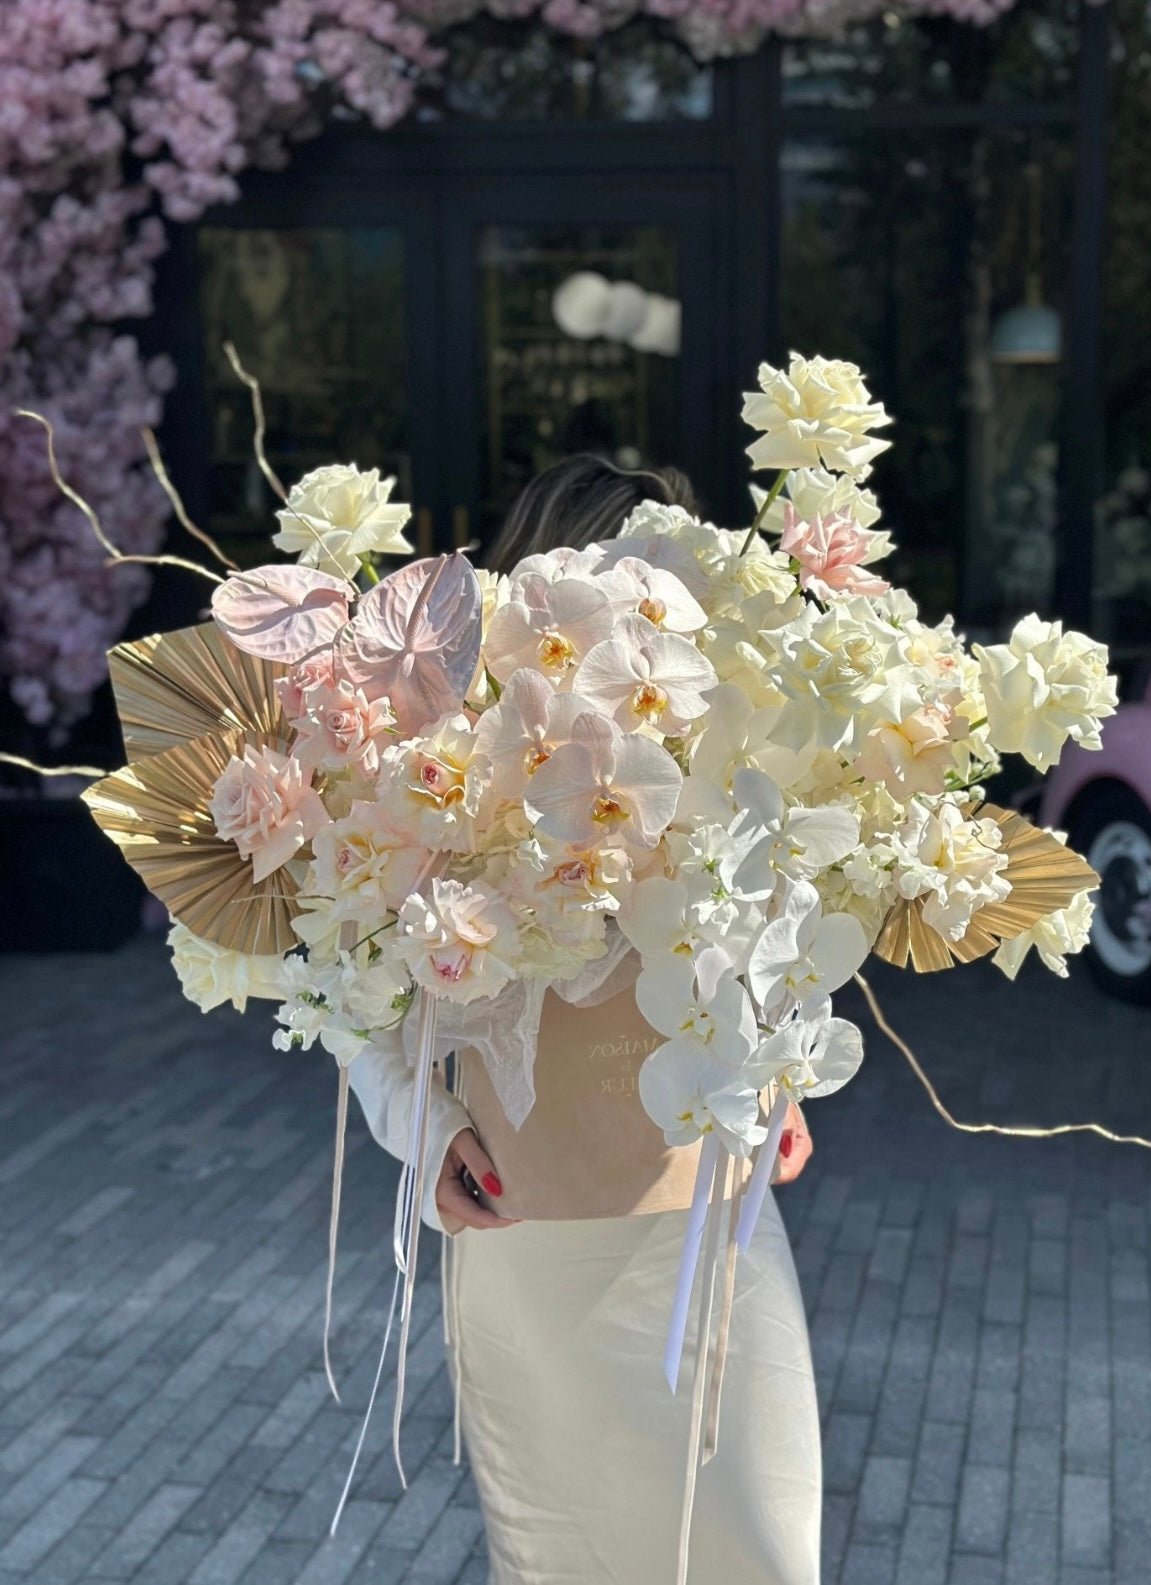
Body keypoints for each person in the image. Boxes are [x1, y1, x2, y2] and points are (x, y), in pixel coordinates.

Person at [348, 455, 821, 1585]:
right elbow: (356, 995)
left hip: (711, 1240)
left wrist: (790, 1066)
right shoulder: (446, 772)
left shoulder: (729, 754)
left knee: (760, 1551)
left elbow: (795, 930)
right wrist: (421, 1130)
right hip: (531, 1247)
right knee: (566, 1562)